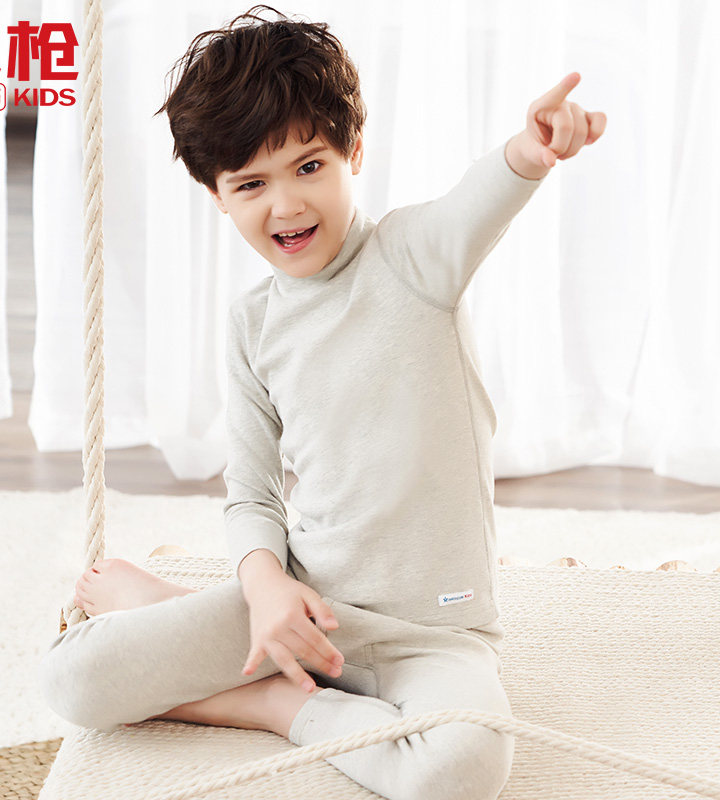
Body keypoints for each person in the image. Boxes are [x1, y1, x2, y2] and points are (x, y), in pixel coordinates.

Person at [38, 6, 606, 800]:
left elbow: (479, 200)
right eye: (251, 184)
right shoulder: (252, 325)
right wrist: (266, 586)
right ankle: (246, 659)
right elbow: (252, 492)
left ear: (352, 152)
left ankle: (276, 705)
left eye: (308, 166)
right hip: (302, 609)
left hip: (435, 635)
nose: (286, 206)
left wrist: (530, 151)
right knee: (73, 676)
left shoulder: (416, 258)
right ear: (217, 195)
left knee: (461, 768)